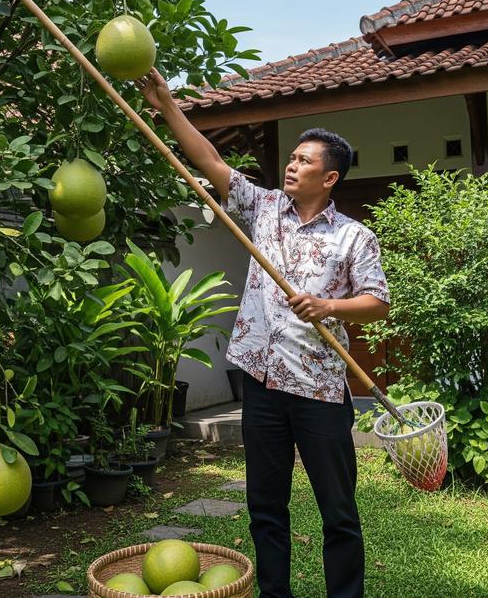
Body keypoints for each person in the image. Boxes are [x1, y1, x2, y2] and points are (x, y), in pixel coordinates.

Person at [139, 68, 390, 598]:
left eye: (304, 161)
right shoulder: (264, 208)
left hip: (319, 389)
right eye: (292, 157)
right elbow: (208, 160)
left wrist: (329, 305)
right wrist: (166, 106)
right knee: (265, 507)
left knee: (338, 510)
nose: (291, 165)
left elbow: (377, 304)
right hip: (261, 383)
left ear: (330, 178)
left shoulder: (353, 236)